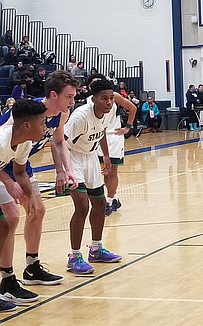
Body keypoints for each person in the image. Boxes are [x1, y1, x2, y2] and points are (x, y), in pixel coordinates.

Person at [0, 71, 80, 289]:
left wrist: (65, 170)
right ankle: (7, 276)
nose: (72, 101)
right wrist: (8, 182)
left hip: (20, 164)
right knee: (10, 217)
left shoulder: (62, 114)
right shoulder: (29, 112)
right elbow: (7, 138)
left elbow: (59, 141)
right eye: (69, 97)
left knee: (38, 210)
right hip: (4, 162)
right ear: (53, 95)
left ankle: (32, 266)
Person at [64, 78, 122, 274]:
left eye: (111, 98)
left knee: (99, 204)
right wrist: (62, 169)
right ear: (94, 99)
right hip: (72, 157)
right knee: (82, 206)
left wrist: (105, 154)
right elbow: (60, 142)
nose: (109, 102)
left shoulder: (107, 112)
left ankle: (96, 249)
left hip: (90, 156)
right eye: (104, 98)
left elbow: (102, 131)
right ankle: (74, 256)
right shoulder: (80, 116)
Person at [0, 99, 49, 305]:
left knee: (5, 225)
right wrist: (9, 183)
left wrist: (30, 195)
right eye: (42, 123)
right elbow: (11, 176)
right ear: (27, 126)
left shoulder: (24, 142)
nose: (45, 127)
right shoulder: (2, 139)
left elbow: (20, 171)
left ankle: (7, 282)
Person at [86, 75, 135, 217]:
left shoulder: (114, 96)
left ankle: (109, 201)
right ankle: (114, 198)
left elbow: (132, 108)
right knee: (103, 173)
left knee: (112, 172)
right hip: (97, 137)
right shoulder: (89, 102)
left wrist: (127, 127)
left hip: (113, 136)